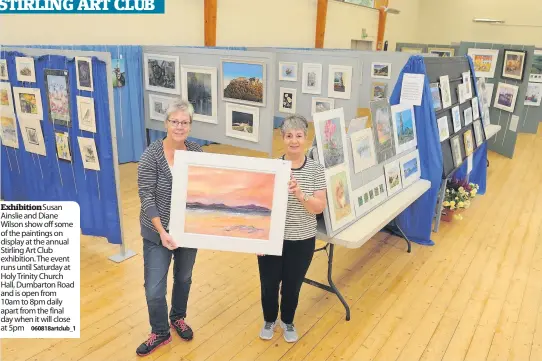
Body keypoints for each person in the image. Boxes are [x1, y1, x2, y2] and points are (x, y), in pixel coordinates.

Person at [136, 99, 203, 356]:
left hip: (187, 231)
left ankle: (178, 317)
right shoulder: (151, 155)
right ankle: (160, 331)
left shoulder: (196, 153)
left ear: (190, 126)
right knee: (154, 288)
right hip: (157, 233)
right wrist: (162, 232)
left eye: (184, 122)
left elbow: (206, 191)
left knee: (184, 279)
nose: (179, 126)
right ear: (166, 123)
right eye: (174, 121)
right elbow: (146, 196)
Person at [258, 114, 327, 343]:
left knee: (292, 285)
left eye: (299, 136)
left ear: (306, 138)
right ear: (282, 138)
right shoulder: (273, 167)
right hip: (272, 239)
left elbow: (318, 208)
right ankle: (269, 320)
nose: (294, 141)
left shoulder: (316, 170)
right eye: (289, 136)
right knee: (268, 284)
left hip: (302, 240)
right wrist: (258, 238)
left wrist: (300, 194)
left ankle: (287, 321)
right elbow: (260, 205)